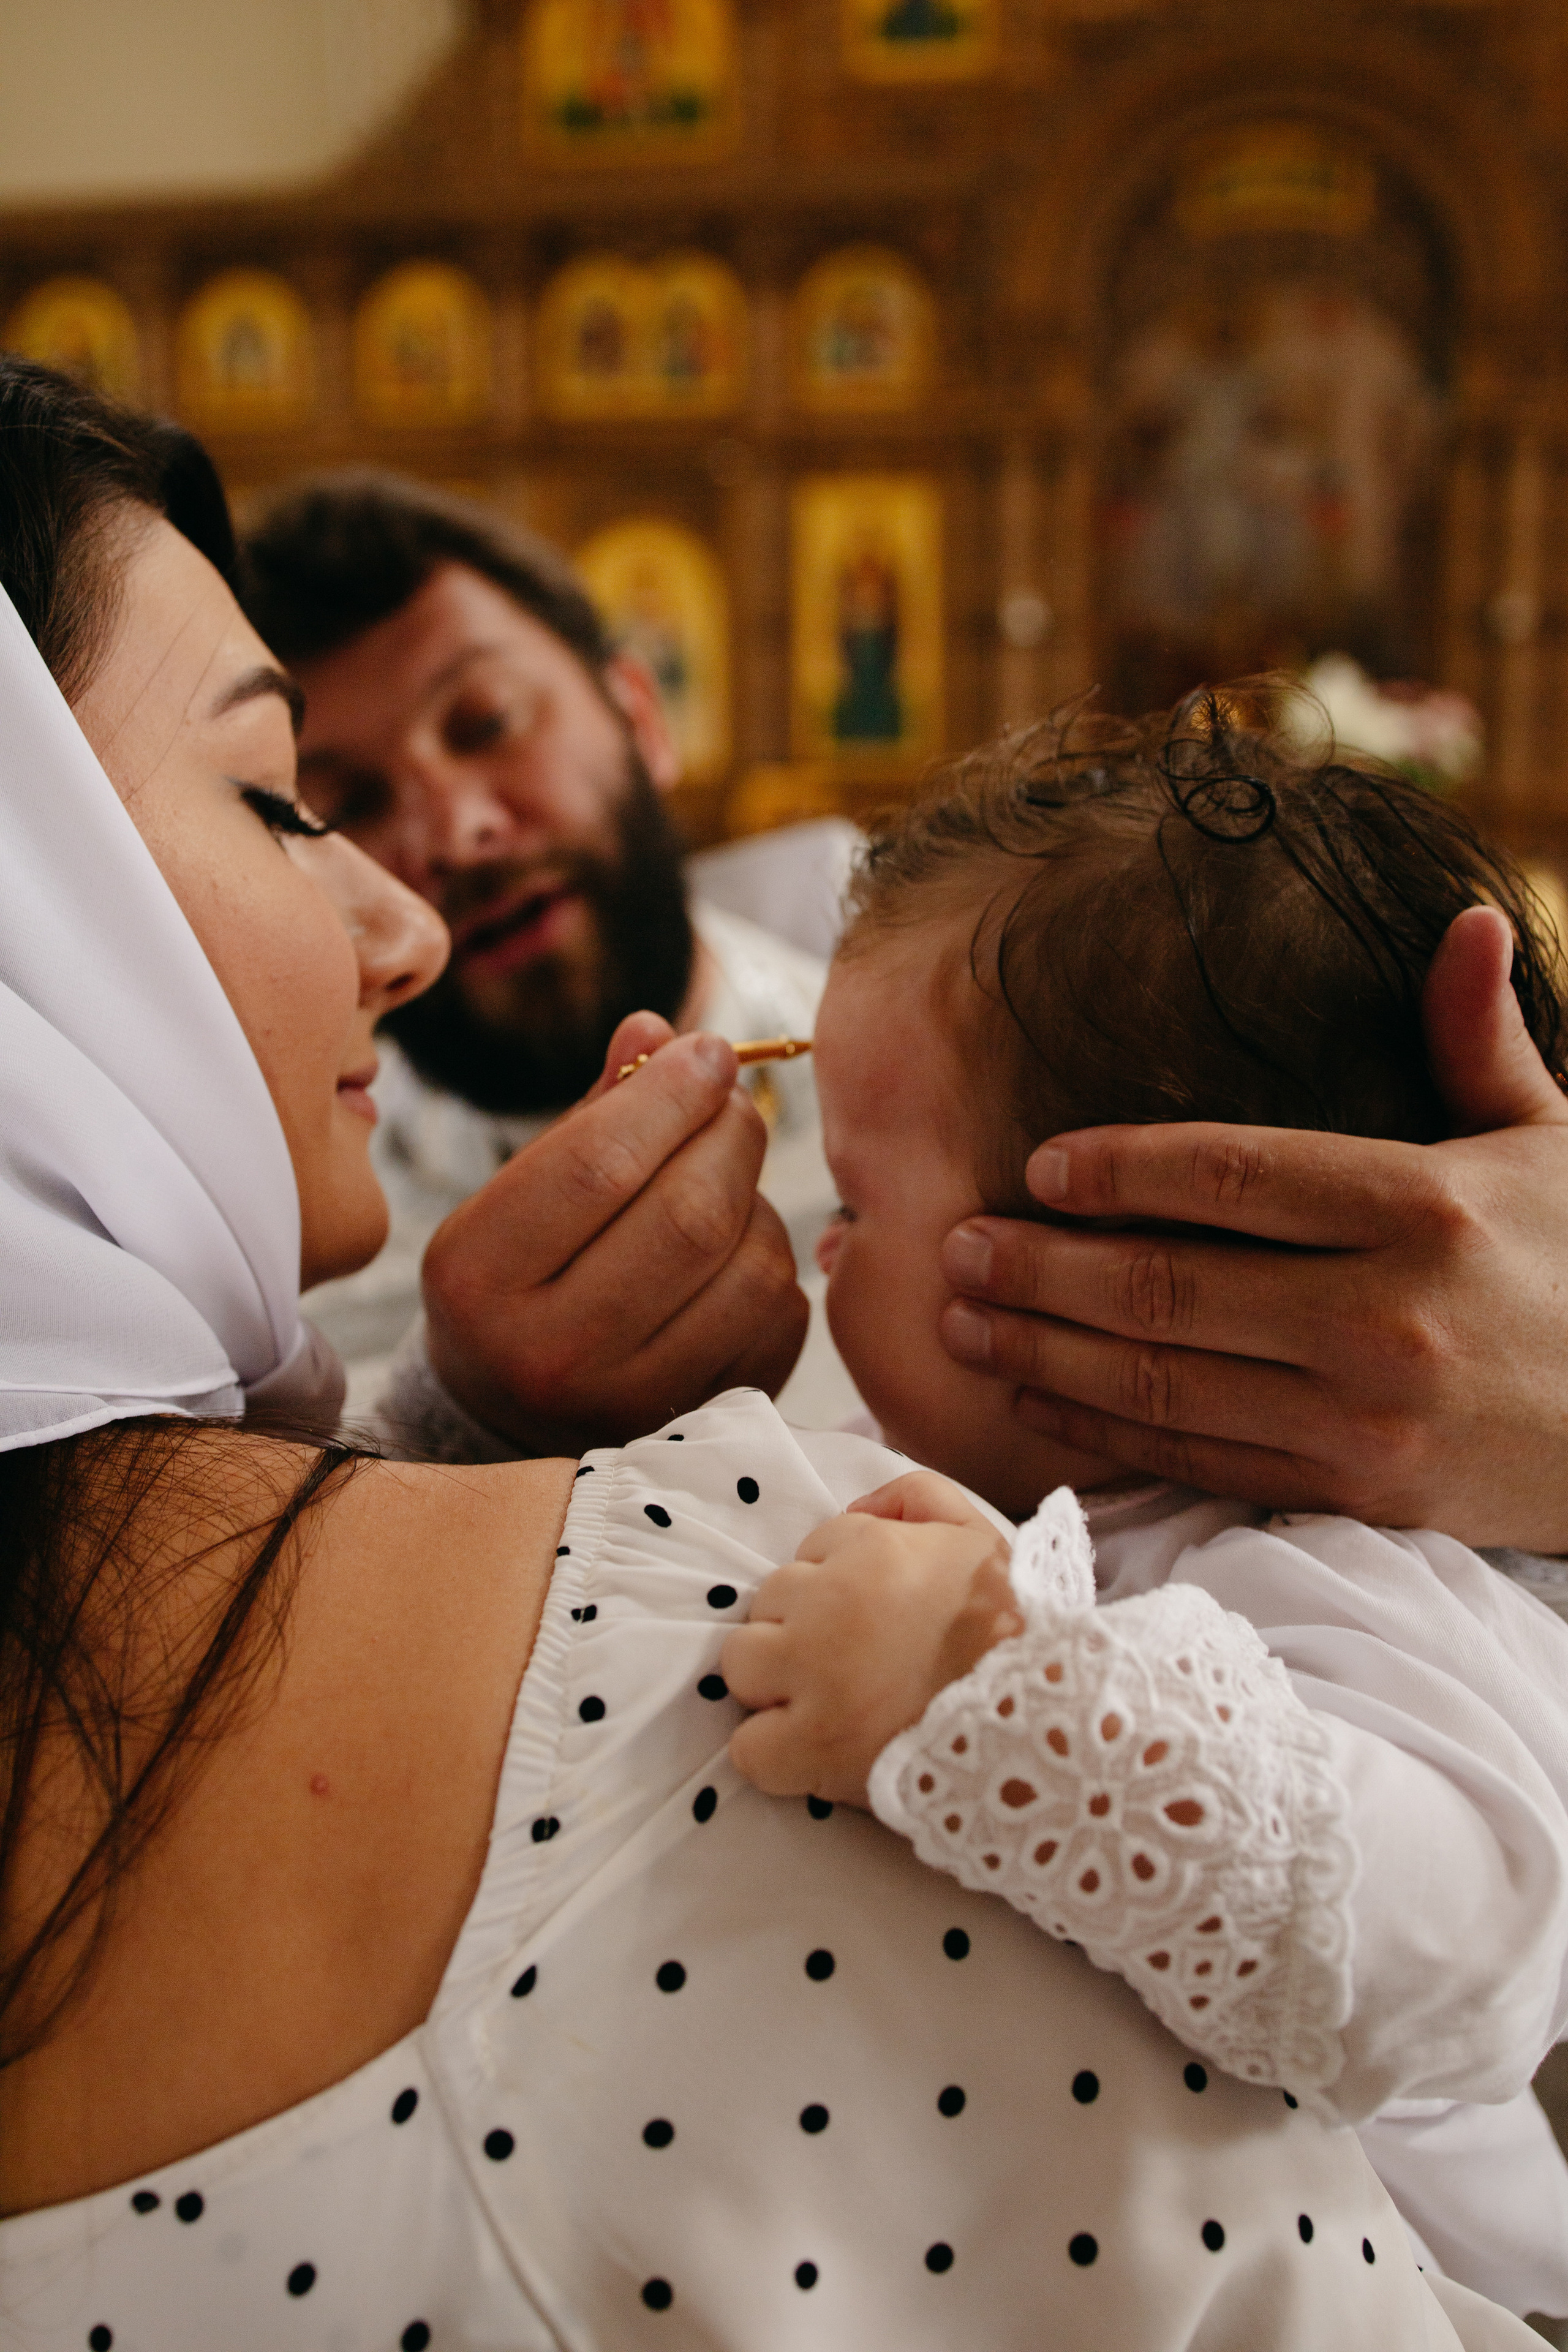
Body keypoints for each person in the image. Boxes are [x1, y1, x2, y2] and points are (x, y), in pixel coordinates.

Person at [0, 358, 1523, 2352]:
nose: (425, 881)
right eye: (304, 796)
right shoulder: (430, 1332)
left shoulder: (1023, 1010)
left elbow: (1436, 1936)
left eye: (486, 724)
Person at [710, 702, 1568, 2317]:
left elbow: (1454, 1948)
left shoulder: (1373, 1578)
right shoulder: (1051, 1492)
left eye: (862, 1202)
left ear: (1133, 1276)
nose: (825, 1251)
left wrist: (989, 1687)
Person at [238, 473, 851, 1433]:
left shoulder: (931, 1103)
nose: (454, 832)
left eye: (486, 724)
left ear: (642, 721)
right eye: (349, 805)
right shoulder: (294, 1270)